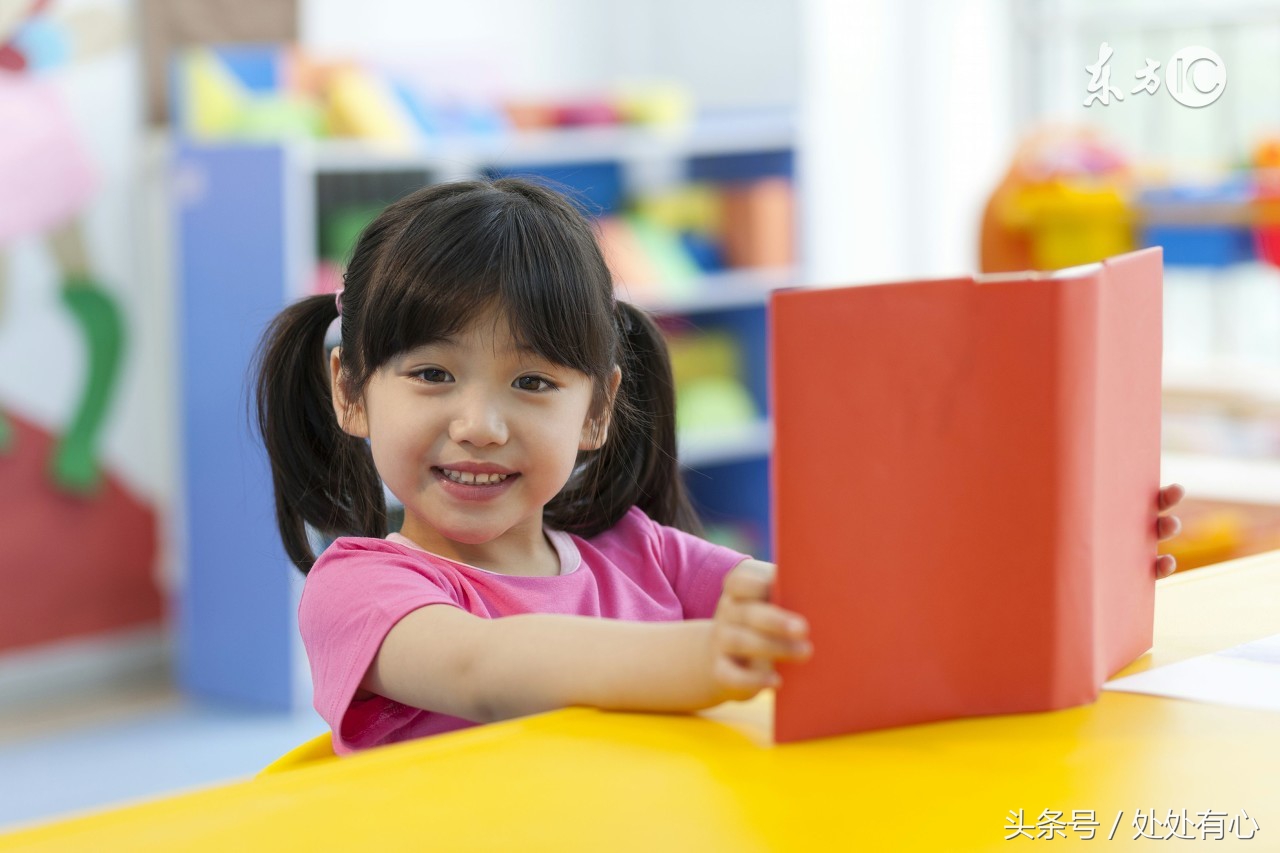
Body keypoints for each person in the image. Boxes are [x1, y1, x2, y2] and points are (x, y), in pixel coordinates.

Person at [254, 178, 1185, 755]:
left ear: (597, 410)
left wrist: (1064, 560)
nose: (480, 424)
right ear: (351, 390)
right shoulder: (363, 589)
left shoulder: (642, 553)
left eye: (533, 381)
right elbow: (485, 667)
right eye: (431, 374)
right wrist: (704, 656)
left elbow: (831, 609)